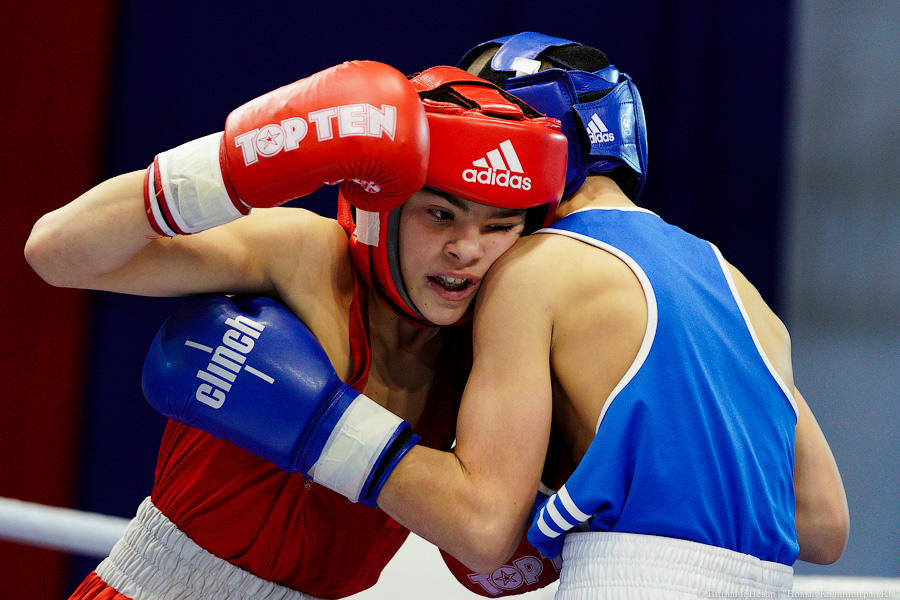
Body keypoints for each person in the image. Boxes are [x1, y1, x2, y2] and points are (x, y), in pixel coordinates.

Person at [149, 33, 850, 599]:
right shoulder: (739, 288)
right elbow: (823, 526)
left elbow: (482, 528)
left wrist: (318, 419)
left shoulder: (534, 269)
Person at [24, 60, 569, 599]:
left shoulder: (491, 345)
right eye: (440, 215)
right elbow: (57, 253)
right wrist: (229, 167)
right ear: (382, 206)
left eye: (499, 226)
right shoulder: (306, 257)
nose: (467, 250)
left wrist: (320, 421)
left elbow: (484, 540)